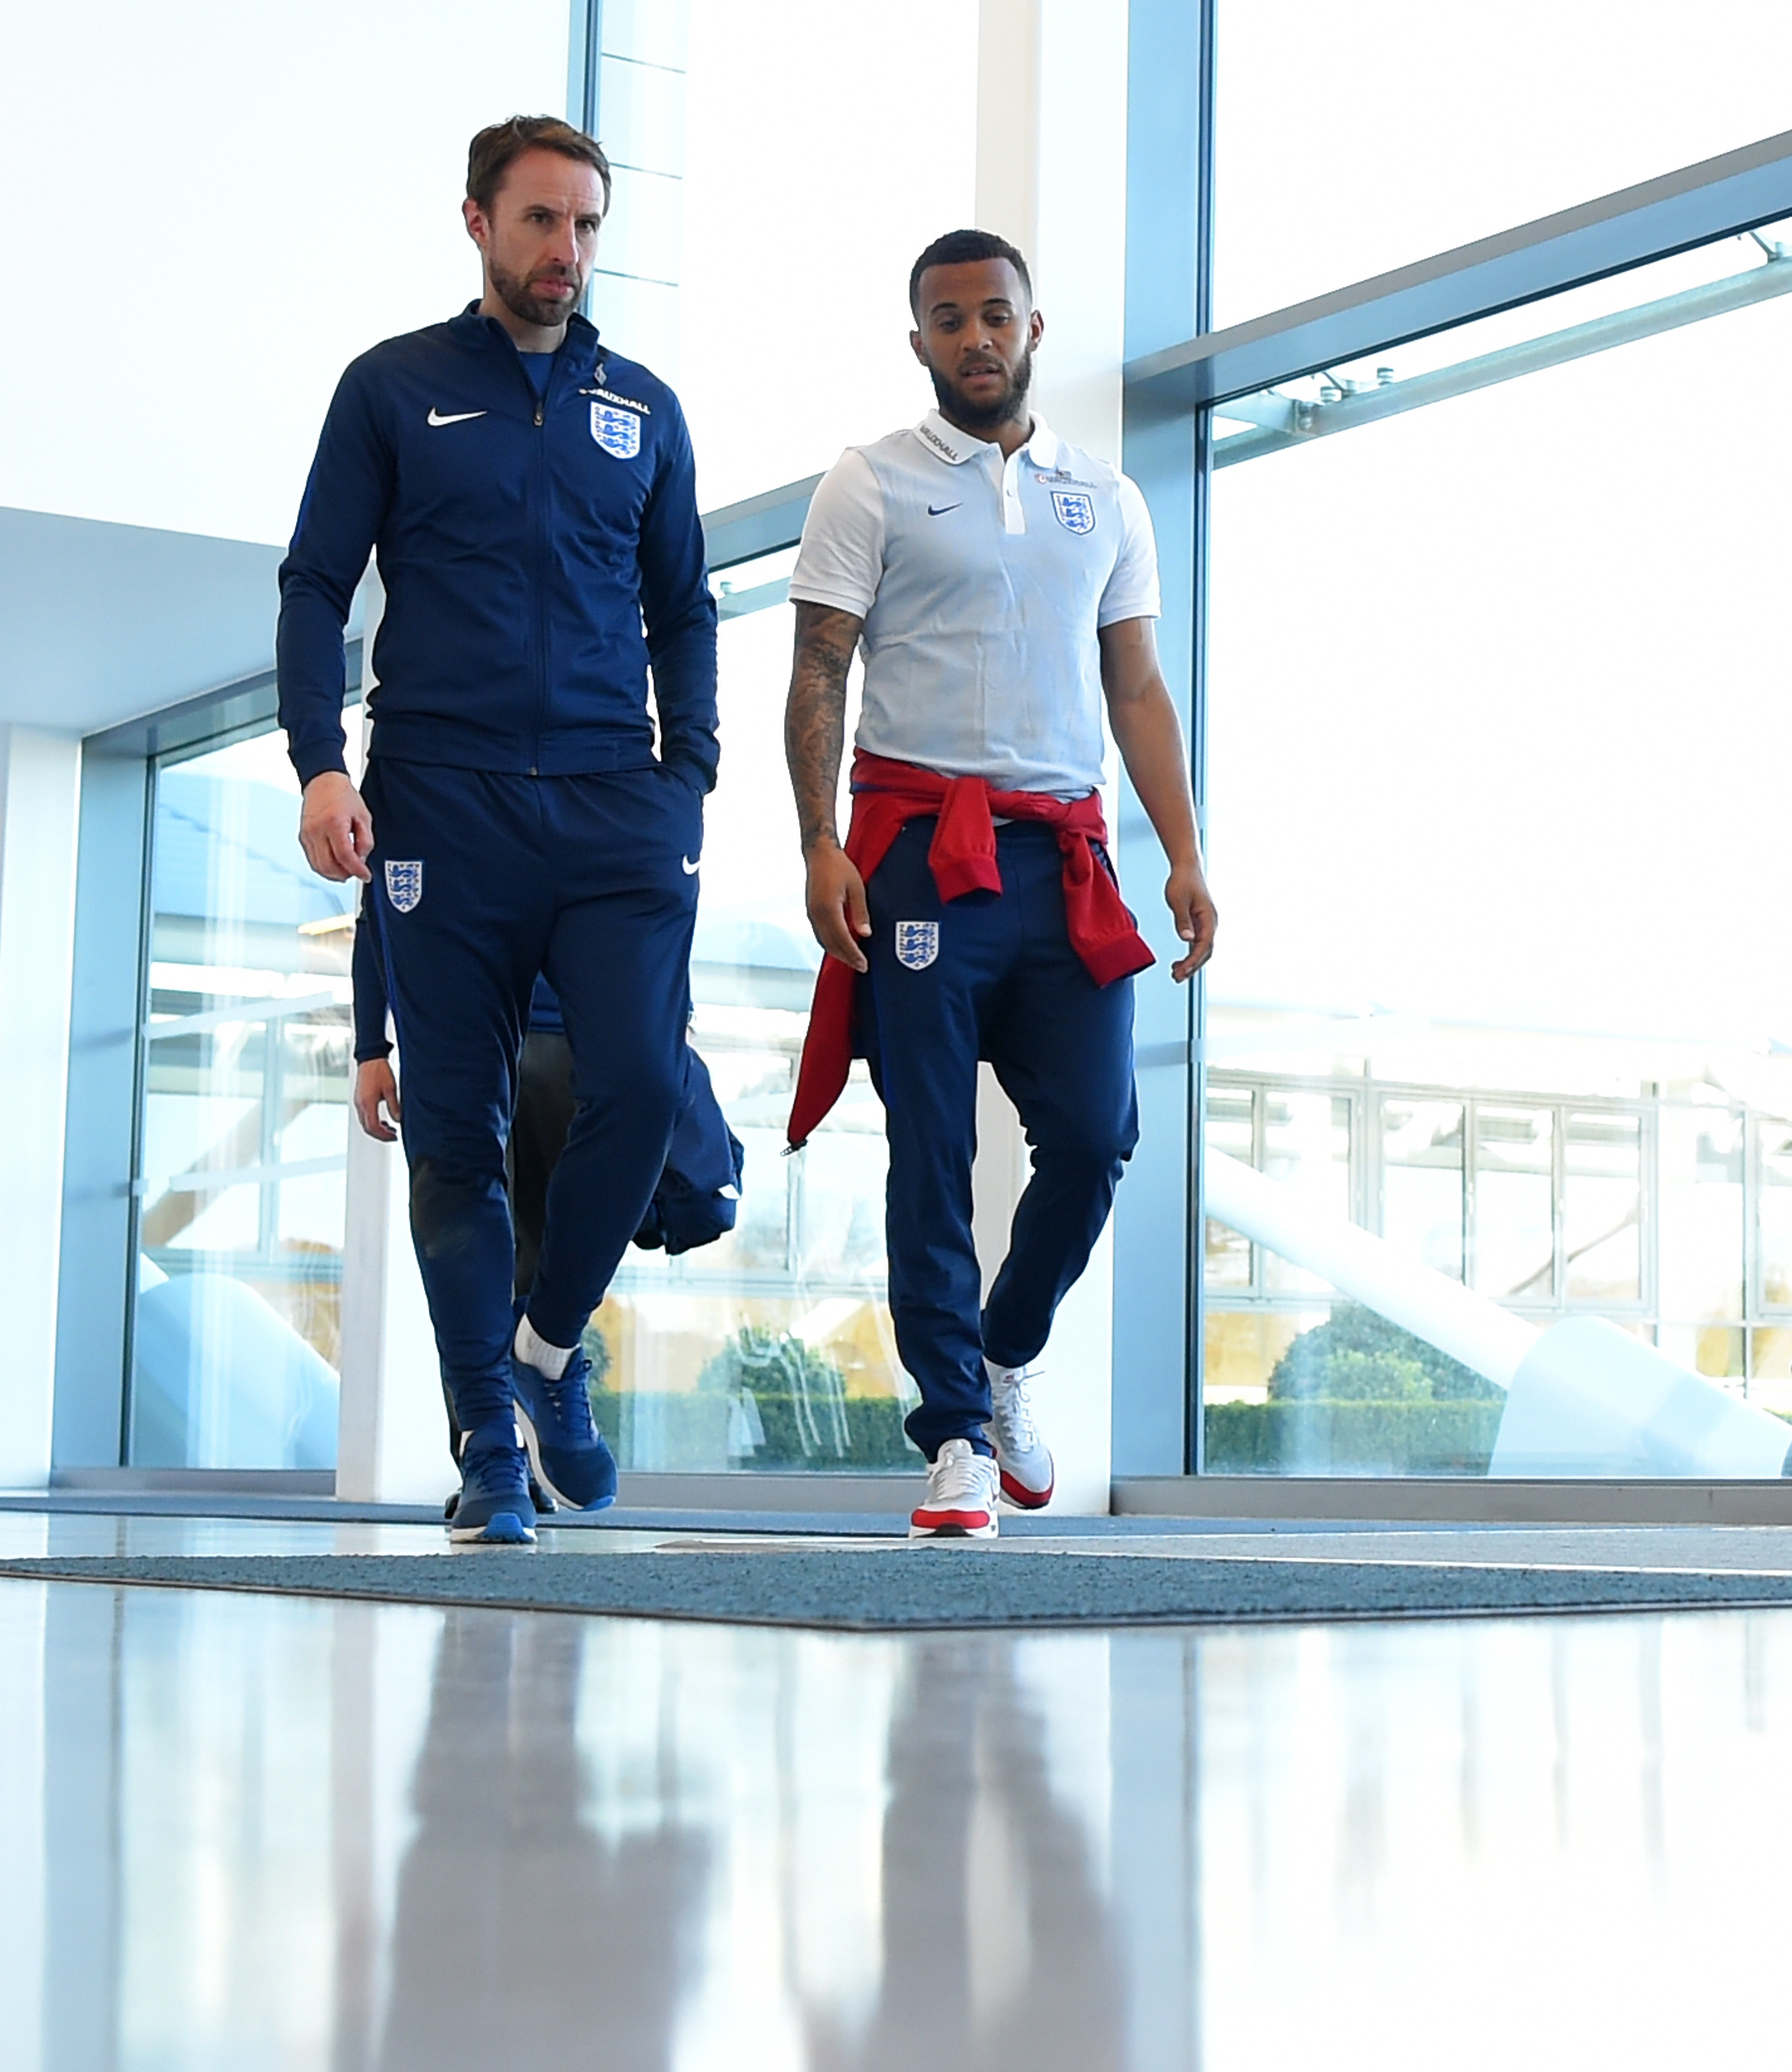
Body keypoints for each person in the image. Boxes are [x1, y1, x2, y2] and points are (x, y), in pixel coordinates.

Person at [279, 114, 717, 1545]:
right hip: (442, 799)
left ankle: (545, 1350)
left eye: (586, 225)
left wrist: (688, 769)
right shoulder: (394, 389)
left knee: (641, 1088)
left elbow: (683, 606)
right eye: (539, 221)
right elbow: (313, 584)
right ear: (476, 223)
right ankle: (484, 1444)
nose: (565, 251)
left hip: (610, 801)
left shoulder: (642, 408)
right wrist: (318, 765)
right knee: (453, 1140)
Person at [783, 228, 1218, 1540]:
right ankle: (957, 1435)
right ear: (919, 341)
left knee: (1095, 1135)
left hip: (1064, 858)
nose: (975, 336)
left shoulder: (1109, 496)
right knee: (928, 1145)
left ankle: (1001, 1355)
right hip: (919, 850)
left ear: (1034, 329)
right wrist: (819, 842)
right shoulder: (870, 482)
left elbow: (1134, 686)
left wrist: (1184, 853)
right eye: (948, 317)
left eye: (996, 315)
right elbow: (817, 671)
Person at [348, 885, 747, 1515]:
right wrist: (372, 1046)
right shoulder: (434, 795)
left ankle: (530, 1413)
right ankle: (491, 1451)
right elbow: (382, 913)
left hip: (572, 1041)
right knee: (470, 1260)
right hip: (469, 1039)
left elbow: (651, 905)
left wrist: (671, 1022)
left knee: (548, 1248)